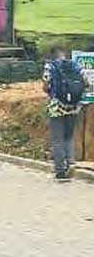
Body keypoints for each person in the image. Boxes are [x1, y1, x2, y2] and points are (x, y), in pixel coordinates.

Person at [43, 47, 88, 180]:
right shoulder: (75, 65)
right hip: (74, 107)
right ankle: (71, 163)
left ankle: (60, 171)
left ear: (53, 56)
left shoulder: (50, 67)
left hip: (56, 107)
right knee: (69, 137)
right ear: (65, 55)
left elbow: (45, 86)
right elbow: (86, 83)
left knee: (58, 139)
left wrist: (51, 92)